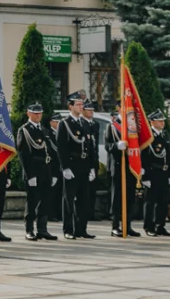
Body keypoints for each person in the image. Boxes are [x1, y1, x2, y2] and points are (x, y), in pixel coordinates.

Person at [17, 102, 56, 241]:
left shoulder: (44, 130)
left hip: (45, 170)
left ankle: (42, 229)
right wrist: (30, 175)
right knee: (32, 201)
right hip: (33, 170)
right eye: (35, 113)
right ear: (28, 113)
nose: (38, 115)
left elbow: (51, 152)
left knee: (45, 200)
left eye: (40, 113)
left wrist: (54, 173)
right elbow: (23, 154)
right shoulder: (24, 130)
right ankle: (29, 230)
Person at [57, 92, 93, 240]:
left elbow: (90, 147)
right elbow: (61, 147)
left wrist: (92, 167)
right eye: (78, 104)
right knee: (69, 200)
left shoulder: (84, 123)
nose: (81, 106)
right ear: (70, 106)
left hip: (84, 166)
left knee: (84, 200)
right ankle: (68, 229)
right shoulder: (64, 124)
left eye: (82, 104)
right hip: (72, 166)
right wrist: (65, 167)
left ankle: (81, 229)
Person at [104, 108, 138, 237]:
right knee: (117, 198)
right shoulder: (112, 126)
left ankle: (127, 226)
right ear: (119, 109)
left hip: (130, 166)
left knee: (130, 197)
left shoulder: (132, 126)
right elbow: (107, 145)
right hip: (118, 166)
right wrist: (117, 146)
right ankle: (115, 226)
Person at [142, 109, 170, 237]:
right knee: (150, 201)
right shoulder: (148, 136)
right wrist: (145, 176)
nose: (162, 123)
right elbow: (144, 157)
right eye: (159, 121)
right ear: (152, 122)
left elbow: (169, 156)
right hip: (153, 172)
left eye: (163, 121)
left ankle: (160, 225)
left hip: (164, 172)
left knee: (163, 201)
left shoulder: (164, 135)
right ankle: (149, 227)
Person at [47, 113, 63, 222]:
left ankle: (59, 213)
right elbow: (53, 152)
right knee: (52, 193)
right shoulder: (49, 135)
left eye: (59, 122)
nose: (58, 124)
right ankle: (51, 214)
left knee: (60, 192)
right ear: (51, 122)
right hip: (53, 168)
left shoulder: (62, 134)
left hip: (61, 168)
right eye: (56, 122)